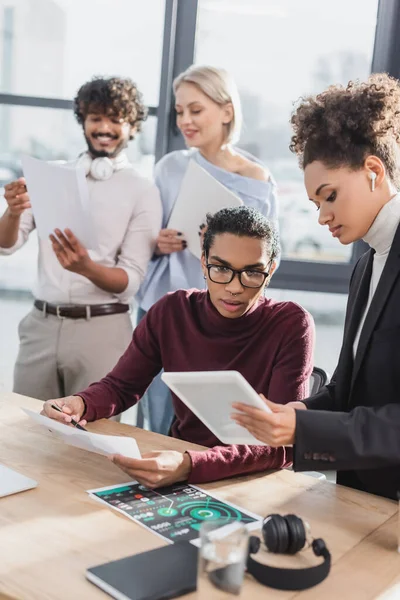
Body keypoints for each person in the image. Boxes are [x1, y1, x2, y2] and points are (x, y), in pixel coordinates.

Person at [42, 206, 314, 488]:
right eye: (221, 269)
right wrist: (79, 403)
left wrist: (189, 464)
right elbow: (121, 387)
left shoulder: (292, 324)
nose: (234, 287)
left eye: (252, 273)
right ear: (204, 262)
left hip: (252, 477)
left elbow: (283, 444)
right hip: (183, 463)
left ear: (270, 270)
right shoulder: (172, 311)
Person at [232, 73, 400, 501]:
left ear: (374, 172)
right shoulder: (365, 267)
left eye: (329, 196)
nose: (322, 217)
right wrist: (299, 411)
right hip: (365, 495)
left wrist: (304, 429)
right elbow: (352, 386)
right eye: (314, 204)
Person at [136, 65, 279, 435]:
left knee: (213, 426)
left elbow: (268, 257)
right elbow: (142, 241)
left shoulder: (258, 180)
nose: (185, 120)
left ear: (226, 111)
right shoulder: (169, 169)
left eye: (195, 110)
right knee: (158, 420)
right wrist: (158, 243)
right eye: (180, 111)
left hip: (226, 317)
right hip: (166, 310)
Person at [0, 76, 161, 400]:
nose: (104, 127)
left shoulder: (142, 190)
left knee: (93, 443)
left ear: (132, 127)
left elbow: (130, 280)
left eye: (116, 119)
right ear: (83, 121)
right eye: (96, 118)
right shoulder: (51, 175)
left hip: (102, 332)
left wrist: (87, 268)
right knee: (25, 436)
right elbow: (6, 245)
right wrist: (13, 212)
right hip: (40, 326)